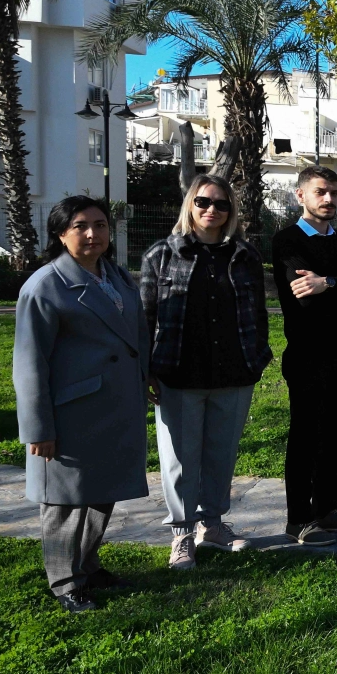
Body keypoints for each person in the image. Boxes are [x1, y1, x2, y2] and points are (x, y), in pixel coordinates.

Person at [15, 197, 151, 611]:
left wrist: (146, 378)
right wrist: (38, 428)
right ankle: (65, 582)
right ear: (60, 234)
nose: (93, 234)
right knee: (65, 501)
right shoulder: (45, 286)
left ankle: (87, 566)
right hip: (70, 414)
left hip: (114, 406)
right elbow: (29, 364)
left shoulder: (116, 276)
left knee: (101, 491)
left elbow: (136, 335)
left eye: (100, 224)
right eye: (80, 226)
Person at [140, 175, 271, 569]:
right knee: (180, 461)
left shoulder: (244, 255)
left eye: (221, 204)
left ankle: (211, 526)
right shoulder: (162, 254)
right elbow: (145, 317)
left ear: (231, 211)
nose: (212, 209)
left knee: (220, 455)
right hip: (179, 373)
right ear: (190, 205)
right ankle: (182, 534)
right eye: (203, 202)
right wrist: (145, 369)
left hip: (234, 372)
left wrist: (257, 358)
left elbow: (258, 314)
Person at [272, 165, 337, 546]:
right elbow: (302, 293)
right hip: (308, 355)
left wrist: (327, 282)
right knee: (305, 438)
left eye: (333, 192)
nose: (329, 199)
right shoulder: (287, 240)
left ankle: (327, 510)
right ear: (301, 195)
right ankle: (298, 519)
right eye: (320, 192)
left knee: (334, 436)